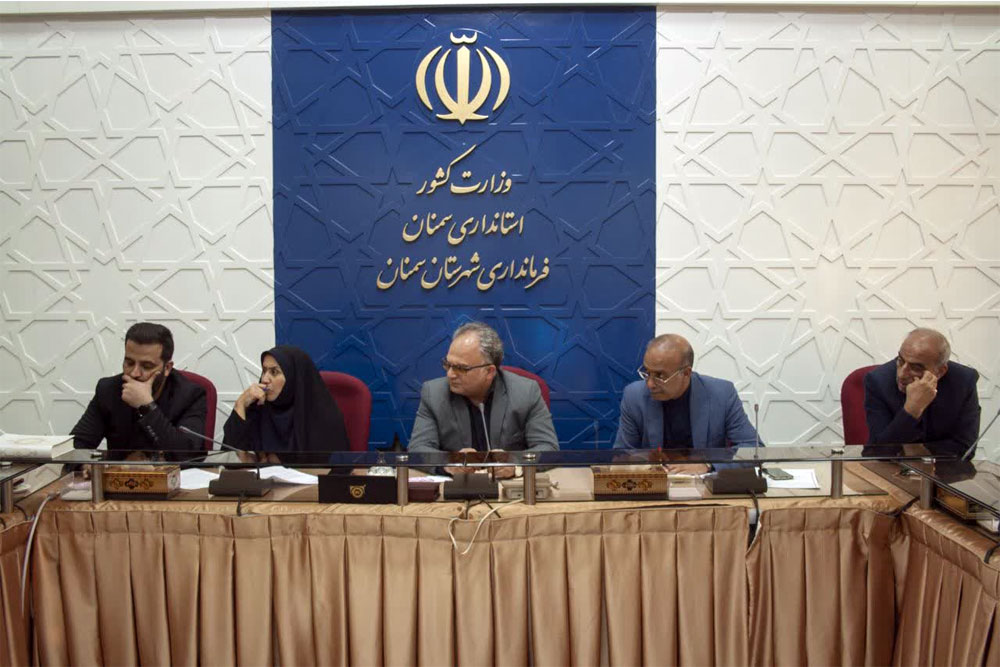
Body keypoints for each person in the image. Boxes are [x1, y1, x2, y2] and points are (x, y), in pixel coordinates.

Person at [407, 322, 558, 478]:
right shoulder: (433, 393)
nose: (450, 374)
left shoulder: (526, 392)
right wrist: (449, 462)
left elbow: (549, 449)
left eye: (461, 368)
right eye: (448, 364)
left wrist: (515, 464)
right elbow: (418, 450)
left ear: (489, 372)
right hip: (458, 486)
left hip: (509, 487)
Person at [614, 334, 759, 473]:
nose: (650, 384)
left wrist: (707, 465)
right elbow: (622, 454)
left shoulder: (722, 394)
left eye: (660, 375)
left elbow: (753, 448)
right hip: (656, 482)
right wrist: (645, 460)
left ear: (686, 373)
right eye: (647, 373)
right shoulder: (634, 396)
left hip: (704, 483)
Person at [71, 322, 205, 455]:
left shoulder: (191, 395)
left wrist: (148, 407)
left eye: (147, 366)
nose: (134, 373)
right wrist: (89, 463)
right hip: (119, 469)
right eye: (129, 363)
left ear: (167, 368)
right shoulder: (108, 390)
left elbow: (189, 454)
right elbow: (75, 448)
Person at [223, 345, 349, 464]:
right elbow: (228, 462)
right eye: (264, 371)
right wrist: (240, 405)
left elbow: (333, 470)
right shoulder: (259, 409)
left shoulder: (323, 418)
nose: (265, 379)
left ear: (293, 377)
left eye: (274, 372)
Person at [864, 328, 980, 455]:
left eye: (915, 367)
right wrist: (911, 410)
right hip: (891, 466)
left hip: (943, 467)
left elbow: (965, 448)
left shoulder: (963, 381)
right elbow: (876, 451)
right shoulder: (878, 381)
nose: (902, 374)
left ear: (940, 371)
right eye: (900, 361)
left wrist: (916, 452)